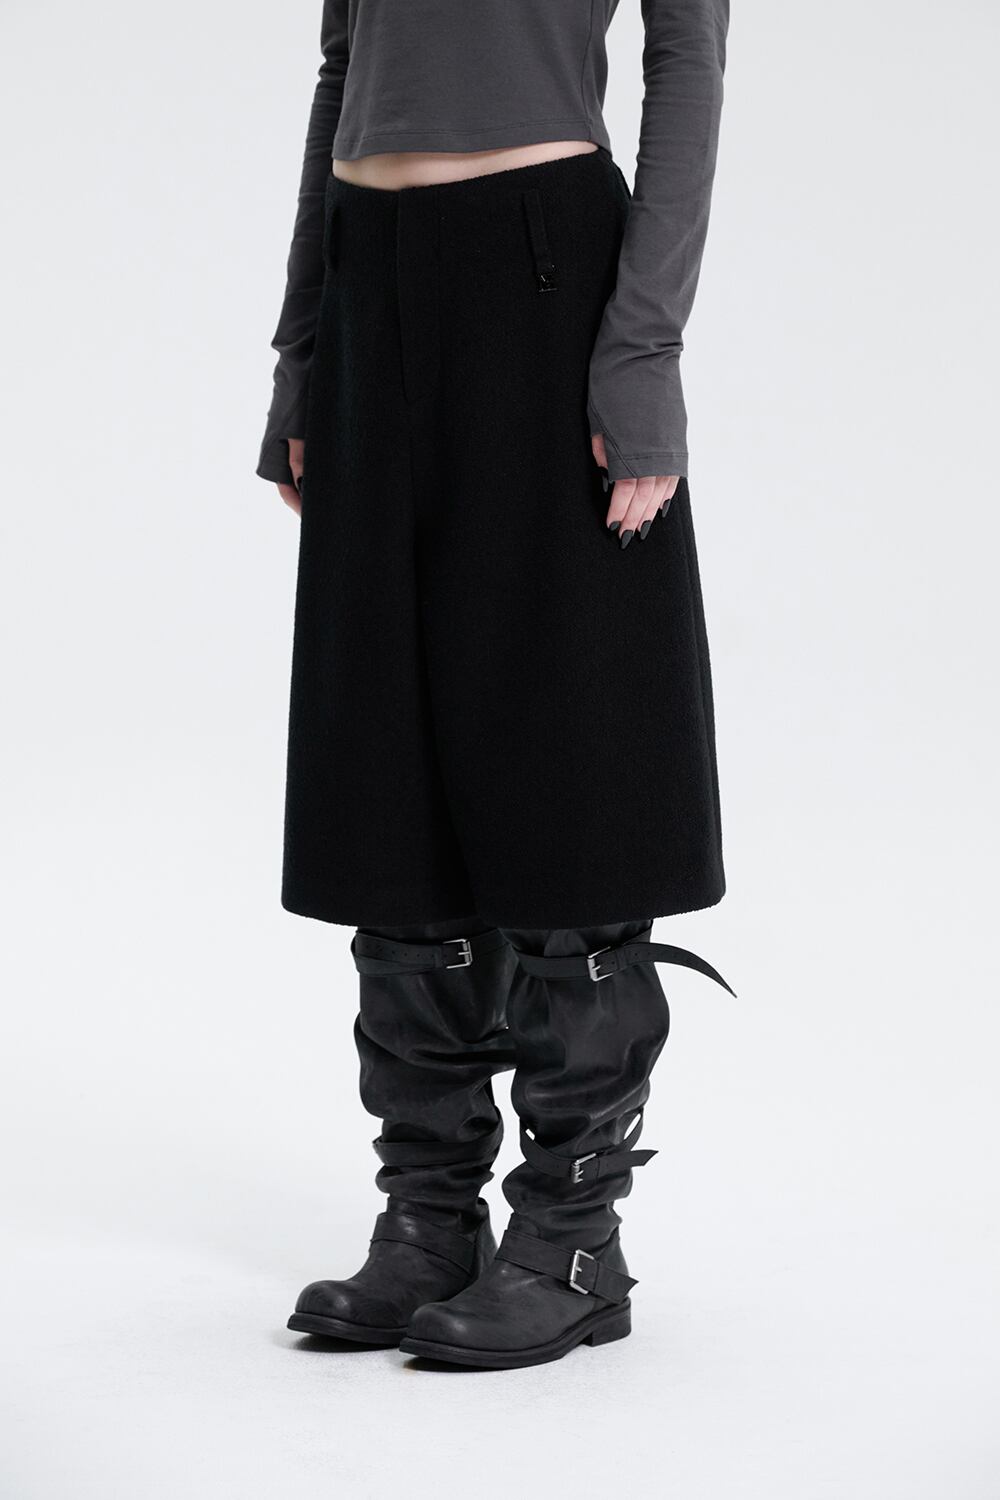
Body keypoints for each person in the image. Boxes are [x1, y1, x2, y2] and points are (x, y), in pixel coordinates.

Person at [255, 0, 734, 1370]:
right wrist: (303, 349)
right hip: (371, 273)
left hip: (545, 271)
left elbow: (688, 62)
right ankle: (428, 1217)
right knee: (386, 753)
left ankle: (573, 1238)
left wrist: (641, 350)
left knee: (566, 744)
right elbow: (343, 67)